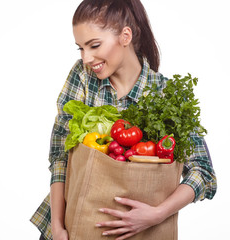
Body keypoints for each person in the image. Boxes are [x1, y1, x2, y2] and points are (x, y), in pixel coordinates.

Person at [30, 0, 217, 239]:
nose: (86, 58)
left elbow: (203, 172)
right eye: (80, 48)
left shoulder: (164, 95)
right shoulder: (83, 77)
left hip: (143, 231)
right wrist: (58, 227)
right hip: (71, 225)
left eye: (94, 45)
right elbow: (60, 157)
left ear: (125, 36)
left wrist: (157, 214)